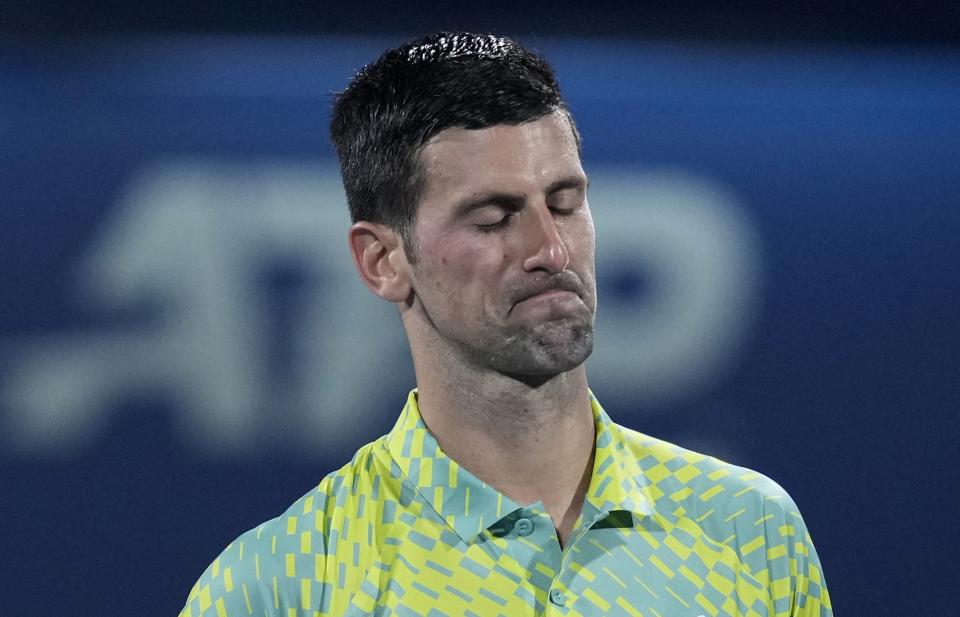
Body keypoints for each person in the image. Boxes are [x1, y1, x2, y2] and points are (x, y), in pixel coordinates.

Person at [178, 32, 832, 617]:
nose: (550, 249)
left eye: (566, 203)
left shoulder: (750, 530)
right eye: (493, 216)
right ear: (382, 261)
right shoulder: (280, 587)